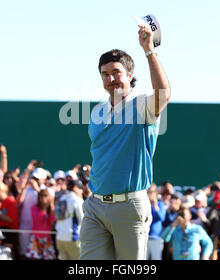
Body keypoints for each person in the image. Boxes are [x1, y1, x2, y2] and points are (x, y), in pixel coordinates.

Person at [79, 21, 170, 260]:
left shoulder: (142, 105)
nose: (111, 79)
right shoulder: (97, 112)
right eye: (105, 75)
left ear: (130, 75)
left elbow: (164, 94)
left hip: (129, 206)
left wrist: (149, 50)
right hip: (95, 206)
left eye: (116, 72)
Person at [55, 179, 84, 260]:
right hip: (73, 238)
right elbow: (83, 220)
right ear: (75, 188)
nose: (82, 191)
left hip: (60, 237)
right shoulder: (77, 200)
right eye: (80, 188)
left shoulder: (61, 199)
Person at [26, 189, 56, 260]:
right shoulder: (34, 207)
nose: (43, 197)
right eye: (41, 195)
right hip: (36, 237)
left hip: (47, 237)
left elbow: (52, 221)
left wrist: (51, 205)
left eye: (45, 195)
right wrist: (44, 208)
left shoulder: (51, 209)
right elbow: (37, 219)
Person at [146, 183, 166, 260]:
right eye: (147, 192)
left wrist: (155, 205)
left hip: (156, 239)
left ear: (156, 193)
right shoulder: (144, 205)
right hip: (144, 238)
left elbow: (161, 218)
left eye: (151, 192)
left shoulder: (160, 204)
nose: (149, 194)